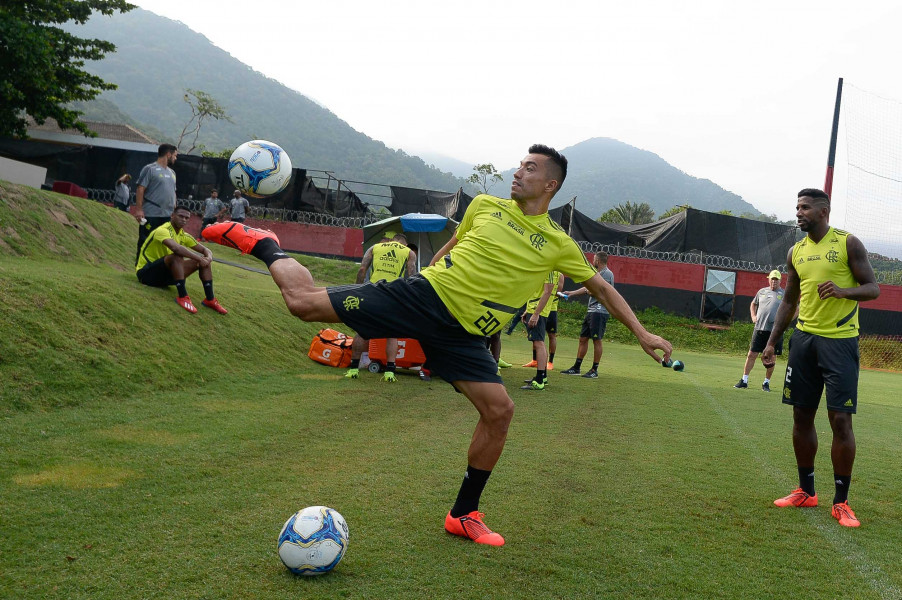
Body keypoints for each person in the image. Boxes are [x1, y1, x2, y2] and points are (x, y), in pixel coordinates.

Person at [203, 144, 672, 546]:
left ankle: (463, 514)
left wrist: (644, 334)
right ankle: (266, 244)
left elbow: (604, 290)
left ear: (550, 185)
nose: (518, 171)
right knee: (302, 305)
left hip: (463, 334)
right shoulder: (485, 205)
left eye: (530, 168)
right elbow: (454, 248)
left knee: (500, 410)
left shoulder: (558, 242)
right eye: (520, 164)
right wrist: (421, 279)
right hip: (423, 297)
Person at [763, 188, 879, 528]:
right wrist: (773, 342)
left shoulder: (848, 243)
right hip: (804, 341)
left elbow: (872, 288)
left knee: (840, 421)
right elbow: (788, 300)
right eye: (797, 207)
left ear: (823, 212)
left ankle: (841, 502)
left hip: (840, 343)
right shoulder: (795, 251)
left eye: (805, 208)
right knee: (801, 416)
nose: (799, 213)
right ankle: (806, 491)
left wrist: (843, 291)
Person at [345, 233, 417, 382]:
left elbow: (362, 270)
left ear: (391, 241)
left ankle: (353, 369)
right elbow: (411, 277)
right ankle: (390, 372)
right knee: (392, 334)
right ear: (404, 244)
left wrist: (357, 290)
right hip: (392, 295)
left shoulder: (374, 247)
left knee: (362, 331)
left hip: (372, 293)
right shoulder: (408, 252)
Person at [136, 203, 228, 315]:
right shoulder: (162, 230)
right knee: (177, 256)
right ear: (172, 216)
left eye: (186, 218)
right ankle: (183, 297)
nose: (183, 219)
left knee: (204, 261)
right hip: (146, 274)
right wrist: (199, 259)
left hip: (165, 278)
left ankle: (210, 299)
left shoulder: (183, 235)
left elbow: (206, 250)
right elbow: (176, 248)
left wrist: (208, 258)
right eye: (181, 216)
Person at [560, 252, 614, 378]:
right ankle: (577, 367)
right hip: (591, 311)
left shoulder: (607, 274)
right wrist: (572, 293)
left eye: (594, 259)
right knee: (583, 339)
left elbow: (594, 291)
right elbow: (588, 289)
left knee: (596, 339)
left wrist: (588, 287)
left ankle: (594, 370)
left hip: (599, 311)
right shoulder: (597, 274)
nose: (592, 261)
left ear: (598, 261)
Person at [733, 270, 786, 391]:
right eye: (772, 279)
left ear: (780, 281)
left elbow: (795, 309)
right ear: (769, 279)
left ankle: (766, 383)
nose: (774, 281)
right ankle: (744, 380)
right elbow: (753, 304)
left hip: (775, 332)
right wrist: (753, 316)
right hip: (760, 329)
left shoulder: (784, 294)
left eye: (776, 279)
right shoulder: (761, 292)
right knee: (751, 354)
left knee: (771, 358)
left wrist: (784, 322)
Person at [134, 144, 178, 265]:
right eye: (175, 155)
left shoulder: (172, 172)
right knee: (146, 240)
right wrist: (139, 210)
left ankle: (156, 267)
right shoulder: (150, 169)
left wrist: (175, 211)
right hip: (151, 214)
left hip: (167, 215)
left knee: (164, 243)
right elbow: (140, 189)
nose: (175, 158)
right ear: (168, 154)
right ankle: (140, 267)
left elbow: (173, 193)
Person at [519, 271, 556, 390]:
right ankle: (542, 377)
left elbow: (547, 292)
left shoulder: (550, 270)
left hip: (538, 311)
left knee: (538, 343)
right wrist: (528, 311)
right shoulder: (547, 268)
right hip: (534, 309)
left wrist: (536, 313)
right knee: (539, 342)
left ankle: (539, 380)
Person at [545, 272, 566, 370]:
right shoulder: (544, 271)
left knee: (551, 335)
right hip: (538, 307)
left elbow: (558, 291)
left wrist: (547, 288)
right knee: (537, 335)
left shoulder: (559, 275)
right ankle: (535, 360)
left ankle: (550, 361)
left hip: (551, 309)